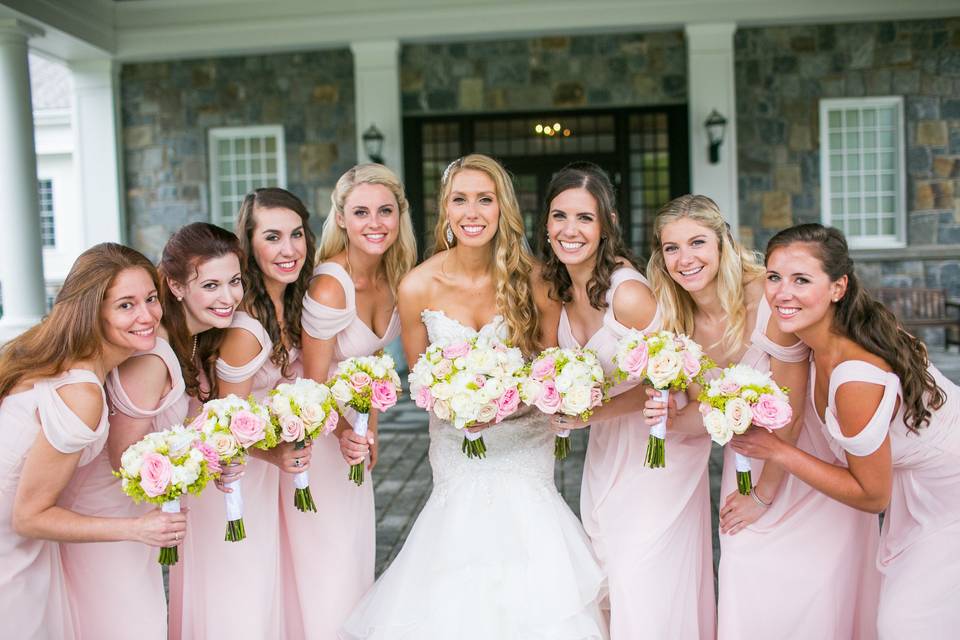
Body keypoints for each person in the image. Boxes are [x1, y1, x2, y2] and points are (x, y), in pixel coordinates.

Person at [341, 154, 606, 639]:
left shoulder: (538, 280)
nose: (473, 212)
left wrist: (505, 402)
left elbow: (547, 372)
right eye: (460, 199)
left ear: (503, 207)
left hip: (526, 448)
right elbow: (423, 382)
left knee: (532, 583)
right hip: (457, 453)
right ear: (445, 209)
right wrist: (458, 405)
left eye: (485, 199)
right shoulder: (418, 285)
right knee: (458, 575)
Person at [644, 199, 880, 638]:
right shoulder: (675, 319)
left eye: (697, 242)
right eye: (671, 248)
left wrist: (763, 497)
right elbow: (709, 413)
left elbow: (788, 410)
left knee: (818, 594)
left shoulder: (769, 297)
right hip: (749, 460)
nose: (685, 258)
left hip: (806, 460)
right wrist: (671, 420)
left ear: (724, 243)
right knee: (746, 576)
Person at [734, 223, 960, 639]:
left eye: (801, 279)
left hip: (949, 491)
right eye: (774, 277)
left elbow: (873, 496)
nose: (783, 292)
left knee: (907, 623)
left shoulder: (855, 377)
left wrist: (779, 452)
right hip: (917, 483)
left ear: (838, 287)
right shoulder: (814, 337)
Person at [537, 163, 699, 638]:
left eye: (585, 218)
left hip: (656, 450)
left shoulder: (628, 295)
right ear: (545, 224)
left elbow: (672, 385)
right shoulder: (558, 289)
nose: (571, 230)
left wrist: (588, 411)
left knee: (640, 575)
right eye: (559, 216)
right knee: (608, 568)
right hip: (608, 448)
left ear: (607, 222)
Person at [61, 223, 244, 640]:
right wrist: (201, 460)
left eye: (234, 281)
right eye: (211, 285)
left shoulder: (189, 341)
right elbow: (123, 458)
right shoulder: (153, 356)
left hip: (129, 512)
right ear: (177, 288)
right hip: (107, 511)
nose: (228, 297)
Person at [0, 243, 186, 640]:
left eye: (151, 299)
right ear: (92, 310)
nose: (147, 315)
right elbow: (29, 517)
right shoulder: (83, 393)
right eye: (126, 305)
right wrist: (137, 528)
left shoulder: (58, 358)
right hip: (11, 551)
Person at [171, 189, 315, 638]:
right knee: (238, 597)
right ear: (248, 245)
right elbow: (225, 422)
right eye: (272, 236)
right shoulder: (245, 324)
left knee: (259, 591)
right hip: (233, 476)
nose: (288, 249)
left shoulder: (285, 303)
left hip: (258, 474)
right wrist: (273, 455)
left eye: (296, 234)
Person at [287, 164, 416, 639]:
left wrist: (372, 428)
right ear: (341, 218)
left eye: (385, 211)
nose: (375, 222)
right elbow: (313, 387)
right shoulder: (329, 285)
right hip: (320, 439)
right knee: (330, 556)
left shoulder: (392, 275)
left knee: (353, 553)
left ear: (399, 216)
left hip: (353, 437)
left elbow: (374, 364)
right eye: (361, 212)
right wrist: (346, 432)